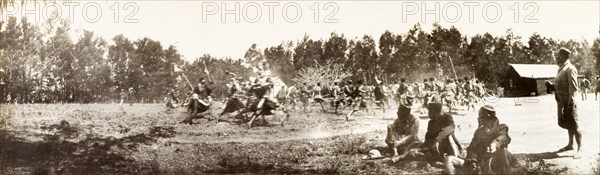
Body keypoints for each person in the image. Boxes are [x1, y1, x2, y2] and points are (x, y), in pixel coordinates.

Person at [444, 105, 518, 174]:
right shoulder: (478, 132)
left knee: (503, 151)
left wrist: (495, 144)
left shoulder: (501, 127)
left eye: (480, 117)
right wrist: (472, 161)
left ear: (487, 117)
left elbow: (503, 137)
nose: (478, 119)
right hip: (480, 164)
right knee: (449, 159)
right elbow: (471, 149)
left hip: (497, 163)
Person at [392, 98, 461, 163]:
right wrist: (424, 147)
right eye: (429, 111)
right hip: (436, 148)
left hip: (448, 146)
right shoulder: (431, 123)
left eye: (431, 112)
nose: (429, 114)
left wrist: (437, 140)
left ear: (438, 111)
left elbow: (449, 129)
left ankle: (456, 156)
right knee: (414, 152)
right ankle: (438, 157)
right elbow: (428, 138)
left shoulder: (447, 118)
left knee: (449, 136)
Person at [554, 47, 582, 159]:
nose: (557, 57)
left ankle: (580, 149)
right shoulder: (561, 68)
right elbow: (561, 85)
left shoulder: (570, 68)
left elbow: (574, 88)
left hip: (570, 101)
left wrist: (571, 104)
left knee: (575, 125)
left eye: (559, 55)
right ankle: (570, 144)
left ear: (565, 56)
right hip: (562, 101)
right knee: (568, 123)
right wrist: (551, 85)